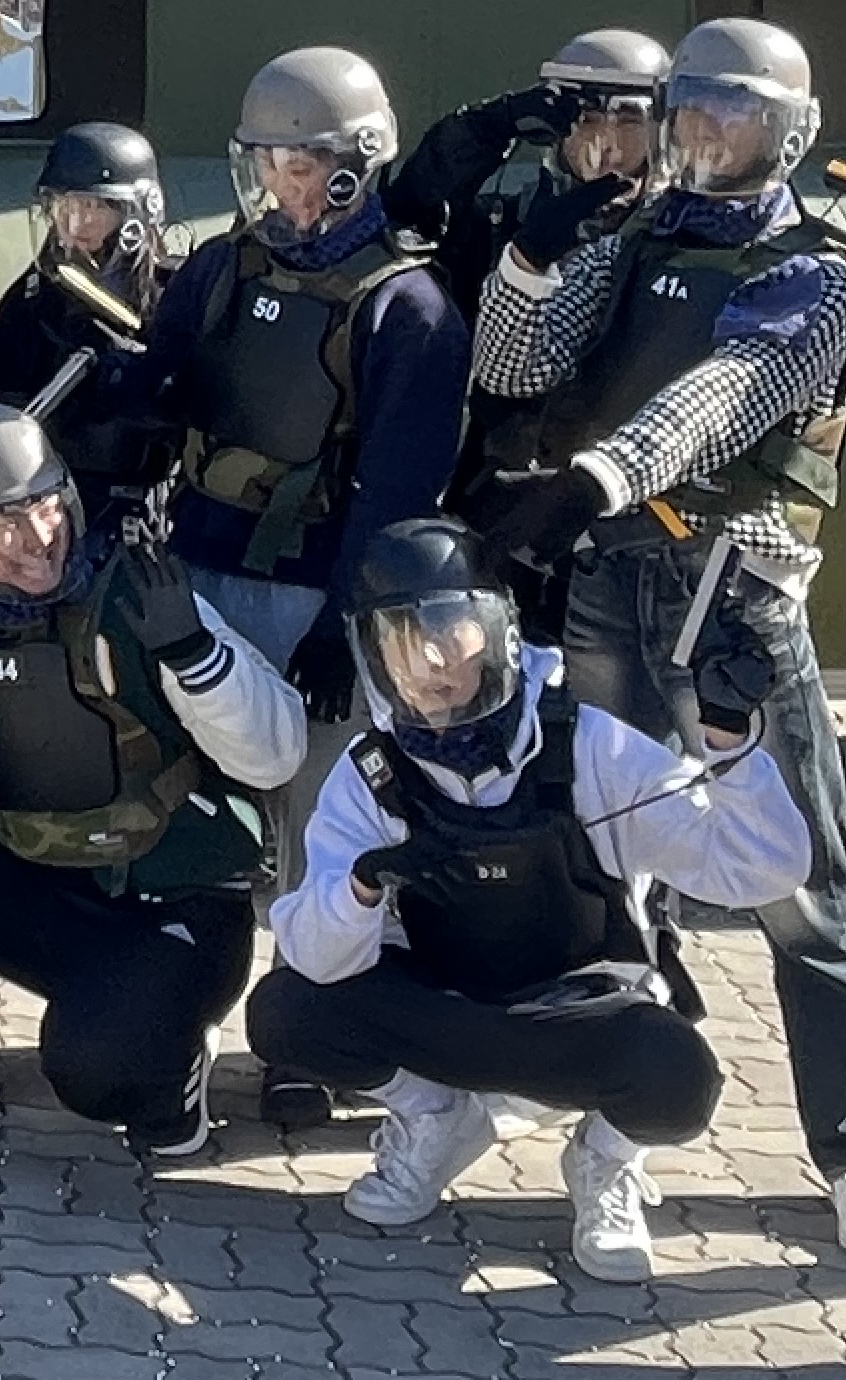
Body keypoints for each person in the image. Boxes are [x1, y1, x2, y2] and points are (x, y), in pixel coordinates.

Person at [466, 16, 846, 1262]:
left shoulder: (816, 271)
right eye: (697, 109)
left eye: (742, 114)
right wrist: (534, 256)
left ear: (789, 134)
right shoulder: (635, 239)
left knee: (803, 884)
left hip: (732, 601)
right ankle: (615, 1141)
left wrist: (588, 482)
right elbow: (516, 364)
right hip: (612, 585)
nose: (713, 133)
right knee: (616, 872)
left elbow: (723, 399)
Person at [248, 517, 811, 1283]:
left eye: (450, 629)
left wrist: (730, 742)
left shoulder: (590, 745)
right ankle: (436, 1122)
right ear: (372, 654)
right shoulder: (370, 771)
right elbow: (315, 956)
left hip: (573, 1015)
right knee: (287, 1011)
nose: (431, 662)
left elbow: (762, 871)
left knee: (677, 1076)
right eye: (402, 639)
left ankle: (604, 1160)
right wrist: (363, 883)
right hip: (446, 1010)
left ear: (499, 633)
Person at [0, 406, 306, 1156]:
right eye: (0, 522)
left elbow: (277, 757)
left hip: (175, 907)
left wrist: (194, 654)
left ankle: (170, 1055)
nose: (35, 537)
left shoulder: (143, 597)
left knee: (97, 1078)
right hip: (43, 885)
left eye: (44, 506)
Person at [148, 50, 467, 701]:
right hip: (186, 568)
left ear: (352, 170)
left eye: (297, 168)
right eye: (264, 165)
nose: (277, 187)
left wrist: (345, 623)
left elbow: (398, 491)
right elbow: (158, 387)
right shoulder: (223, 264)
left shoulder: (408, 309)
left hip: (307, 590)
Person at [386, 30, 670, 320]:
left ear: (659, 132)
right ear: (557, 131)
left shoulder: (675, 231)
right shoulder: (505, 226)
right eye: (587, 120)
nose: (608, 145)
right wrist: (487, 127)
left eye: (629, 122)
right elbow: (408, 211)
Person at [0, 122, 185, 512]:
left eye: (92, 207)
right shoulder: (33, 298)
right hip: (48, 499)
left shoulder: (174, 294)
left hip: (148, 498)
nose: (75, 226)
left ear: (135, 212)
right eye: (64, 207)